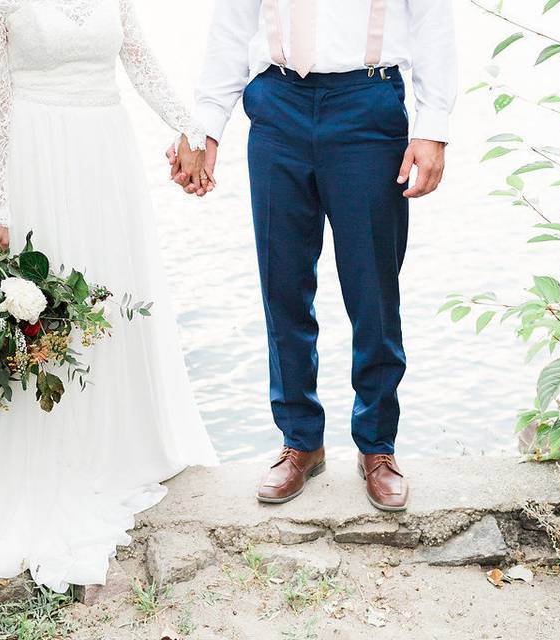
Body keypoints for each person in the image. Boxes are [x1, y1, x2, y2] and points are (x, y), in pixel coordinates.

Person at [0, 0, 217, 593]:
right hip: (37, 157)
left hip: (107, 156)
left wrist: (190, 127)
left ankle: (116, 447)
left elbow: (138, 57)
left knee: (112, 300)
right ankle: (53, 459)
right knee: (53, 314)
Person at [170, 0, 456, 511]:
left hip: (368, 103)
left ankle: (377, 446)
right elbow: (231, 28)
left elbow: (432, 19)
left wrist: (433, 127)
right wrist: (206, 127)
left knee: (373, 293)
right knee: (283, 286)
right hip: (277, 106)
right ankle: (301, 441)